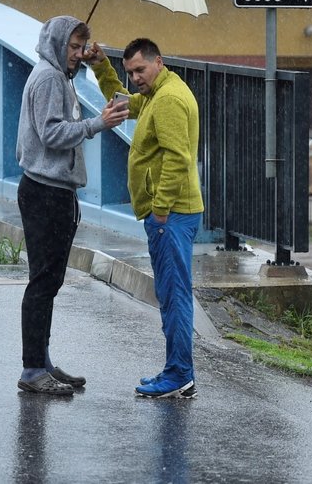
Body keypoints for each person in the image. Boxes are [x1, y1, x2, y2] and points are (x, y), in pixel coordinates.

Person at [85, 37, 204, 399]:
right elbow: (124, 104)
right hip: (174, 213)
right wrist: (102, 67)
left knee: (175, 295)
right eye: (131, 71)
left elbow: (177, 158)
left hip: (173, 215)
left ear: (158, 62)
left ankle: (180, 374)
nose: (136, 77)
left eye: (140, 69)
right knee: (170, 293)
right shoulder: (158, 92)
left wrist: (161, 209)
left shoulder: (167, 100)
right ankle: (176, 371)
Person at [16, 16, 129, 395]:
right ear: (58, 43)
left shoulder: (56, 74)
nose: (79, 55)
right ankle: (33, 368)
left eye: (83, 48)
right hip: (46, 192)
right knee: (43, 282)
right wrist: (98, 123)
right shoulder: (49, 78)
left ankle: (41, 360)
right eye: (74, 47)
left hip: (49, 189)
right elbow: (50, 133)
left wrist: (95, 62)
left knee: (49, 280)